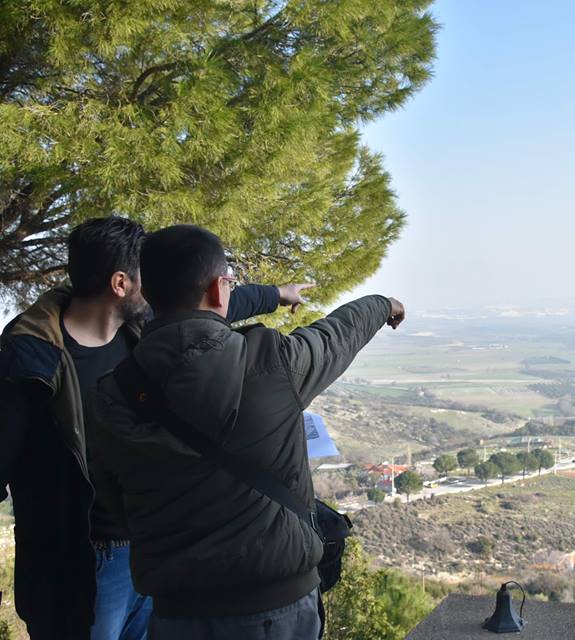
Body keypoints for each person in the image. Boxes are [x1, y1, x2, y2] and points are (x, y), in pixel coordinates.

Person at [0, 216, 313, 640]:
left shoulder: (142, 328)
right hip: (80, 561)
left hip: (152, 548)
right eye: (148, 275)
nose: (161, 286)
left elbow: (214, 303)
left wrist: (277, 295)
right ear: (120, 284)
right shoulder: (29, 362)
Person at [88, 224, 404, 639]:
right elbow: (336, 336)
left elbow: (115, 501)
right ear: (221, 290)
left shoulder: (113, 392)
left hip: (174, 616)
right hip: (275, 612)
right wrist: (384, 304)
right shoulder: (270, 362)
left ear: (148, 294)